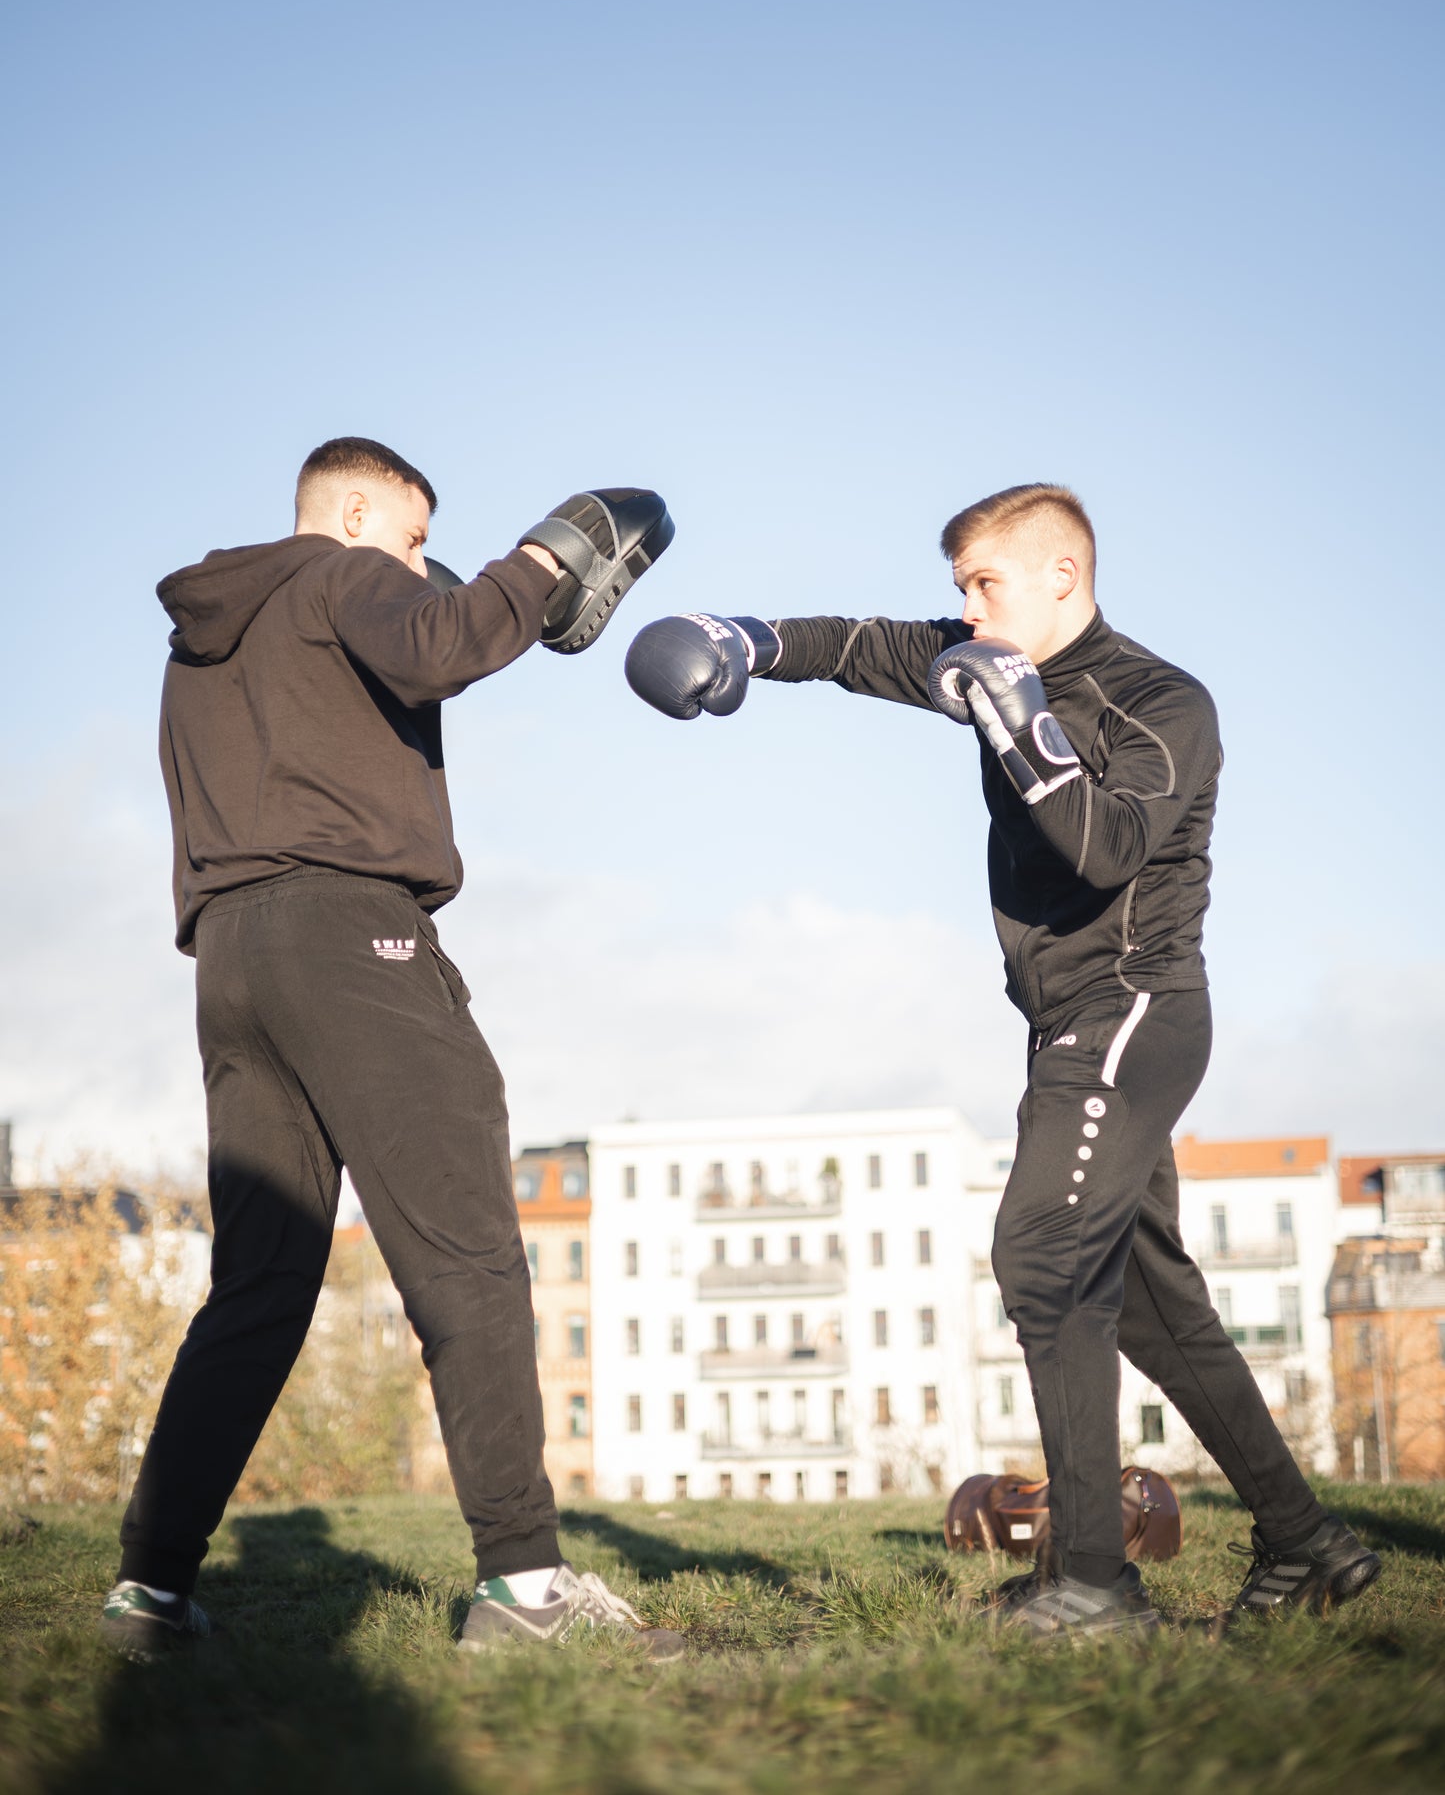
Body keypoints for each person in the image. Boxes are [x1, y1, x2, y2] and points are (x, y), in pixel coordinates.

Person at [624, 480, 1380, 1638]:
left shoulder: (1161, 700)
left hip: (1132, 1007)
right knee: (1144, 1306)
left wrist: (1021, 720)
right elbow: (863, 645)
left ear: (1061, 576)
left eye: (986, 584)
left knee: (1040, 1253)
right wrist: (746, 639)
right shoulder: (982, 658)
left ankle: (1092, 1579)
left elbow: (1106, 847)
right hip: (1059, 1019)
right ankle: (1303, 1539)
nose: (967, 610)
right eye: (959, 588)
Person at [102, 438, 681, 1661]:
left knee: (256, 1285)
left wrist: (476, 600)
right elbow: (440, 640)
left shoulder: (203, 639)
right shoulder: (337, 572)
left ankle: (148, 1590)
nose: (422, 565)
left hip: (230, 965)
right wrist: (549, 551)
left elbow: (405, 657)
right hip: (350, 934)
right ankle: (525, 1589)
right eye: (414, 538)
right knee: (466, 1251)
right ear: (356, 509)